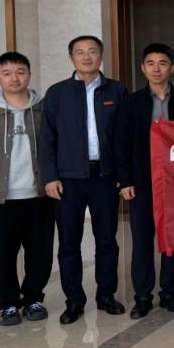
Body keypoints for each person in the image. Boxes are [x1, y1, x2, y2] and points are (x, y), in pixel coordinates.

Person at [39, 35, 128, 325]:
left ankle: (106, 296)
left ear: (101, 55)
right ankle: (74, 301)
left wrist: (122, 173)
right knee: (69, 242)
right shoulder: (57, 93)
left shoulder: (116, 90)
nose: (86, 57)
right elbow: (47, 139)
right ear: (71, 57)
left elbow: (124, 136)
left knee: (107, 239)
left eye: (92, 51)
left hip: (104, 176)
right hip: (68, 179)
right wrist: (50, 177)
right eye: (80, 52)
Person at [115, 43, 174, 319]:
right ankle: (143, 296)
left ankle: (169, 293)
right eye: (150, 63)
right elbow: (121, 143)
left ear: (172, 67)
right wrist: (125, 180)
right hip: (142, 182)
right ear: (143, 68)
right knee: (142, 241)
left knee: (171, 240)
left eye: (162, 63)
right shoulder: (131, 102)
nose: (156, 69)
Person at [0, 52, 52, 326]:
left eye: (20, 71)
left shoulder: (44, 110)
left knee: (39, 251)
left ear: (29, 74)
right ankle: (7, 304)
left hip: (40, 194)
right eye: (6, 73)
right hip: (2, 198)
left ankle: (33, 299)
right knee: (3, 254)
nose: (14, 78)